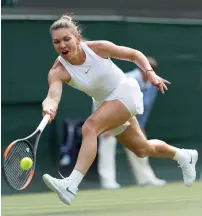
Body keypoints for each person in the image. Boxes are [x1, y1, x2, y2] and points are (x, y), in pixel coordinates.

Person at [42, 15, 198, 205]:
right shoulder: (58, 70)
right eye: (56, 41)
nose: (62, 45)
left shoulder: (97, 48)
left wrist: (151, 74)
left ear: (78, 38)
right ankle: (185, 156)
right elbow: (52, 96)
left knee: (89, 127)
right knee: (142, 149)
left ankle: (71, 185)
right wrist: (49, 107)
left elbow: (134, 55)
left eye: (67, 39)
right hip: (105, 103)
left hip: (125, 92)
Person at [97, 57, 166, 189]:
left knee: (140, 144)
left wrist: (141, 125)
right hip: (109, 112)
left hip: (129, 117)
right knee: (108, 142)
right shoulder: (128, 80)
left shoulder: (153, 84)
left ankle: (146, 179)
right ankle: (108, 181)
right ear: (141, 69)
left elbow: (145, 107)